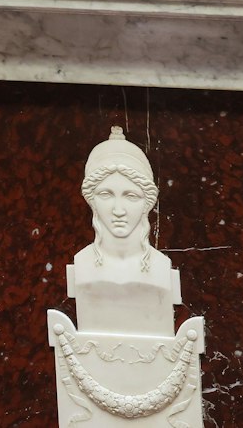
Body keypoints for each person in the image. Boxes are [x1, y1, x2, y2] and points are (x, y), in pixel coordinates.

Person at [70, 127, 179, 337]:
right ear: (91, 201)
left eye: (130, 196)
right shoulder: (82, 263)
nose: (118, 211)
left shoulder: (161, 266)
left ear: (147, 203)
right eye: (106, 195)